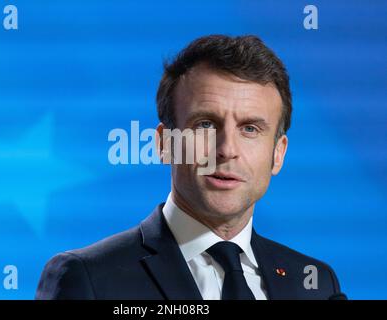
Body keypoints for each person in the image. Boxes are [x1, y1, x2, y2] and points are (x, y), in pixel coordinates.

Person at [35, 35, 343, 300]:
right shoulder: (88, 278)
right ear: (164, 143)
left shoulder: (315, 283)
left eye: (250, 128)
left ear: (278, 154)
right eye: (206, 124)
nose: (226, 150)